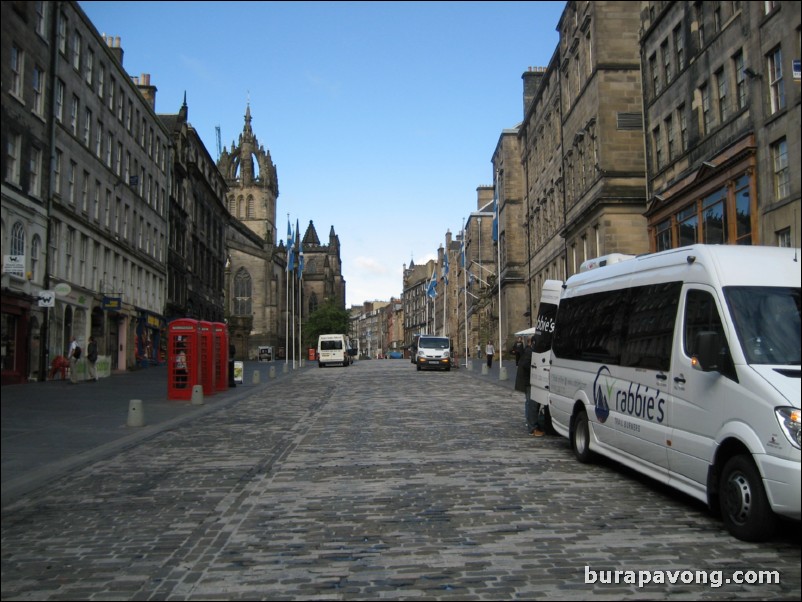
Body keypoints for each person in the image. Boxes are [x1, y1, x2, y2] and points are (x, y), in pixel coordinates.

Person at [515, 337, 544, 436]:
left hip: (527, 381)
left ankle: (530, 424)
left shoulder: (528, 351)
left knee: (529, 403)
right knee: (532, 404)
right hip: (529, 381)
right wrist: (536, 370)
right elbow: (525, 365)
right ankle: (532, 428)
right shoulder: (529, 352)